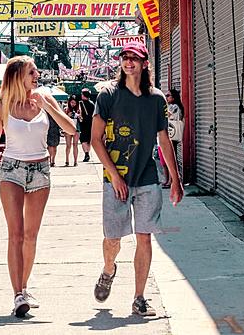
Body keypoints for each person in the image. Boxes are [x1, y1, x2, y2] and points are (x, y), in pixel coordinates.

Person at [0, 56, 77, 318]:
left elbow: (72, 129)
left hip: (41, 170)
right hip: (11, 171)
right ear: (18, 75)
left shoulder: (45, 99)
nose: (37, 75)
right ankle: (18, 294)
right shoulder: (1, 106)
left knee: (31, 236)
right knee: (15, 234)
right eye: (32, 72)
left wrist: (48, 108)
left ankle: (24, 286)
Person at [90, 42, 183, 318]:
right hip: (115, 179)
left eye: (134, 58)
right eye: (125, 57)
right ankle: (109, 269)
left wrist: (175, 179)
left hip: (147, 178)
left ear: (145, 64)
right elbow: (95, 140)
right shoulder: (108, 95)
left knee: (144, 238)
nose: (128, 62)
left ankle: (139, 297)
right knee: (113, 239)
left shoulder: (156, 99)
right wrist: (115, 177)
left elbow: (164, 139)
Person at [161, 88, 185, 188]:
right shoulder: (171, 106)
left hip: (172, 135)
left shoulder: (174, 107)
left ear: (173, 97)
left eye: (168, 96)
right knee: (166, 159)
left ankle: (172, 180)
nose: (166, 97)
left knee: (171, 157)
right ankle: (169, 180)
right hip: (169, 134)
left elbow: (166, 115)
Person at [78, 87, 96, 162]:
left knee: (83, 140)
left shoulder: (80, 103)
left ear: (83, 95)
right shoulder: (92, 103)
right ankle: (87, 153)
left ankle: (86, 153)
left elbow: (79, 113)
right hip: (91, 123)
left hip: (83, 123)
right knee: (89, 139)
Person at [63, 95, 81, 166]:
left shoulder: (79, 109)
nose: (73, 104)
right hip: (68, 127)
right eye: (72, 102)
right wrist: (68, 115)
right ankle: (67, 160)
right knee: (68, 145)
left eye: (74, 103)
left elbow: (81, 118)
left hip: (76, 127)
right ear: (69, 102)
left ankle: (75, 161)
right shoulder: (66, 109)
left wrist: (78, 115)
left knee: (75, 145)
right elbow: (63, 118)